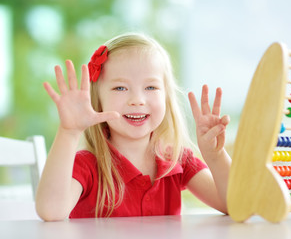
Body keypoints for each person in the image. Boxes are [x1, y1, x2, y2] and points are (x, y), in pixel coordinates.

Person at [35, 33, 231, 221]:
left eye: (150, 87)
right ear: (98, 100)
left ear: (166, 98)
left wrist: (215, 156)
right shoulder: (87, 165)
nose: (137, 100)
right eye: (120, 88)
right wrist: (68, 133)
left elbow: (234, 205)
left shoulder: (178, 161)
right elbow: (51, 211)